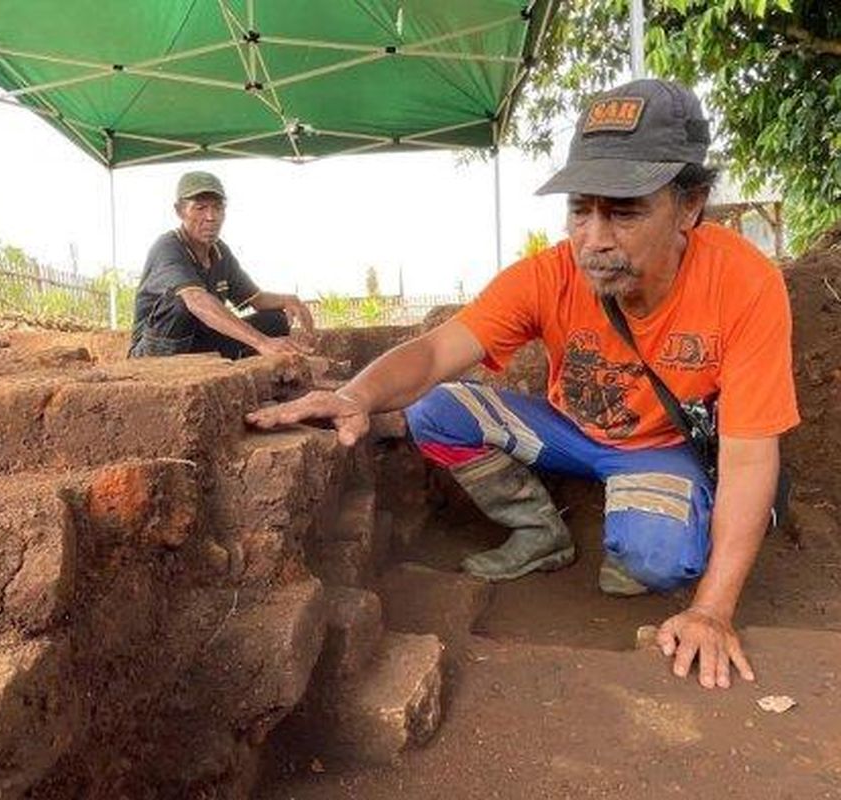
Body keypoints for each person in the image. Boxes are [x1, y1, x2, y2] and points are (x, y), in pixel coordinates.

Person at [247, 79, 798, 690]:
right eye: (580, 209)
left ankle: (635, 527)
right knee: (434, 410)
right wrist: (356, 395)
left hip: (658, 448)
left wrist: (712, 610)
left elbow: (749, 455)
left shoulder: (745, 284)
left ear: (689, 207)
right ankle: (540, 531)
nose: (593, 238)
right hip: (568, 433)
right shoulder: (547, 275)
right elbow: (435, 352)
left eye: (624, 210)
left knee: (653, 559)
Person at [129, 171, 314, 359]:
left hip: (197, 342)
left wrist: (289, 300)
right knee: (182, 301)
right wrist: (261, 342)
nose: (211, 217)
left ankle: (220, 367)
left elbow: (256, 299)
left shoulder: (219, 251)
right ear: (179, 211)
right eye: (200, 208)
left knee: (274, 320)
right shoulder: (168, 246)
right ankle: (172, 370)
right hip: (154, 350)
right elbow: (195, 299)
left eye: (218, 208)